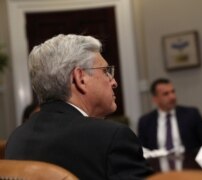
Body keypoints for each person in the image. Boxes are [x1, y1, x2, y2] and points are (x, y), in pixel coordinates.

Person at [5, 34, 153, 179]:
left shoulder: (16, 138)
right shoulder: (111, 137)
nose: (114, 82)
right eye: (106, 71)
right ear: (80, 78)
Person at [138, 78, 202, 171]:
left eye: (173, 92)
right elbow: (141, 151)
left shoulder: (191, 114)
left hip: (189, 168)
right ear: (155, 99)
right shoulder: (146, 121)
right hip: (158, 171)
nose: (172, 97)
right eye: (166, 94)